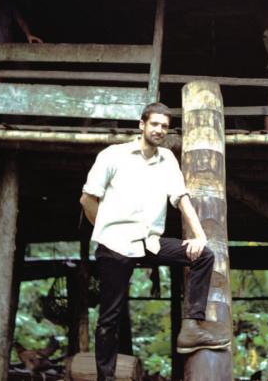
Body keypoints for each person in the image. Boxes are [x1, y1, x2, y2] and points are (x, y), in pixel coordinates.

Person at [80, 102, 229, 380]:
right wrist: (106, 231)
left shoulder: (167, 159)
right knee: (109, 318)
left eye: (164, 126)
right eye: (155, 124)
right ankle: (106, 377)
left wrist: (199, 235)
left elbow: (180, 198)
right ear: (142, 124)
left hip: (149, 242)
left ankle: (191, 327)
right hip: (115, 244)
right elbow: (88, 199)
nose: (160, 130)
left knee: (203, 255)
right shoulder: (114, 155)